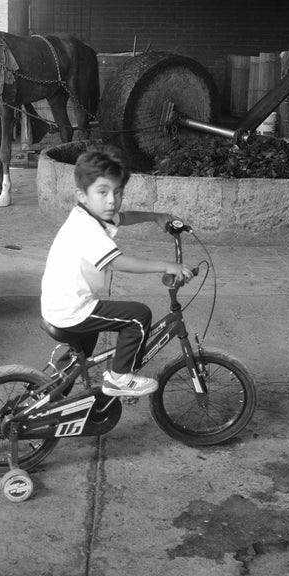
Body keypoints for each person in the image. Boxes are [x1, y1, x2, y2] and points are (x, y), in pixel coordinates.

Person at [40, 146, 195, 397]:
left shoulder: (92, 214)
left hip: (60, 304)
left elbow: (124, 217)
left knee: (82, 353)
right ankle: (120, 377)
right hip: (72, 309)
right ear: (82, 195)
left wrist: (155, 216)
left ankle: (50, 395)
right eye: (103, 192)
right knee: (137, 316)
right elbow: (118, 262)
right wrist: (166, 265)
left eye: (118, 192)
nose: (112, 200)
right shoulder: (86, 228)